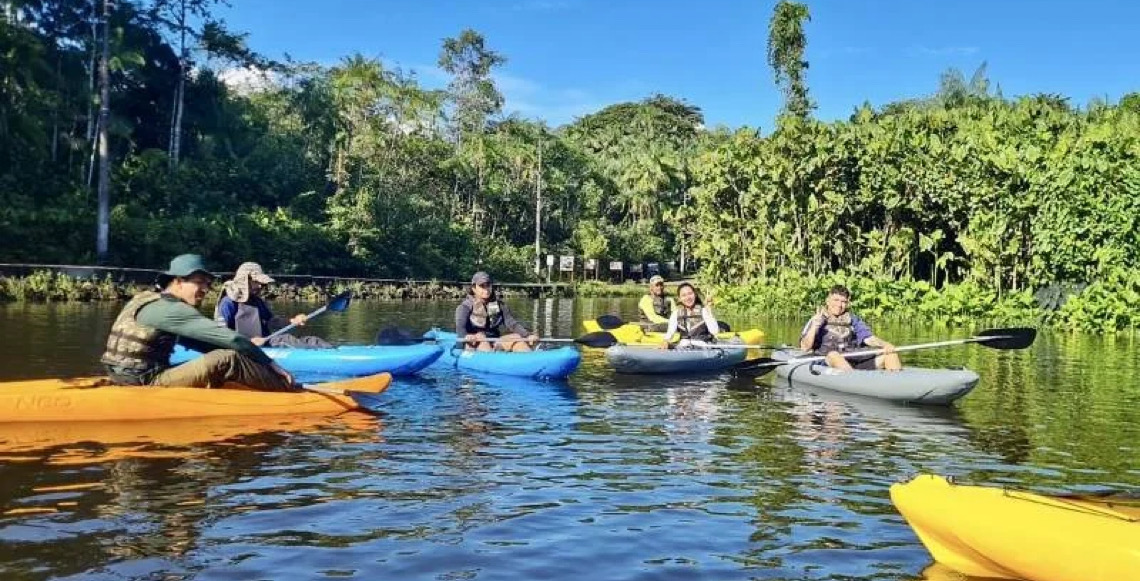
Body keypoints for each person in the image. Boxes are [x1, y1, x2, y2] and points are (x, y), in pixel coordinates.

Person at [101, 254, 297, 390]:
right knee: (227, 358)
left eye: (208, 284)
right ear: (178, 281)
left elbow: (197, 342)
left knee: (221, 356)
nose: (205, 289)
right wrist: (271, 364)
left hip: (122, 376)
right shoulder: (173, 310)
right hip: (145, 380)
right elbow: (235, 341)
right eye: (199, 282)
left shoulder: (144, 299)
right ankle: (290, 388)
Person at [214, 262, 332, 348]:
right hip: (248, 349)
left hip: (266, 343)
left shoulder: (257, 301)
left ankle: (333, 351)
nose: (260, 286)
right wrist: (248, 342)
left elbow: (272, 321)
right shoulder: (228, 303)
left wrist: (293, 321)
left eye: (261, 283)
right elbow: (221, 334)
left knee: (313, 340)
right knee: (286, 339)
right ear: (245, 281)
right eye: (257, 282)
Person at [799, 284, 901, 371]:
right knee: (834, 355)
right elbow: (805, 347)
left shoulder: (853, 319)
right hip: (827, 362)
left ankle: (898, 384)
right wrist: (814, 327)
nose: (839, 305)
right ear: (828, 301)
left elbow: (869, 338)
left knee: (890, 354)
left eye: (843, 301)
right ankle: (854, 381)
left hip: (853, 359)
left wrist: (885, 344)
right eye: (836, 300)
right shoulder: (817, 319)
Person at [455, 271, 538, 352]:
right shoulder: (464, 307)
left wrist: (527, 335)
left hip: (494, 341)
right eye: (482, 286)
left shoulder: (500, 305)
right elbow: (460, 328)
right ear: (474, 288)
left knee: (517, 337)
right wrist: (466, 336)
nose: (486, 289)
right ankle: (490, 359)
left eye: (488, 285)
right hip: (473, 342)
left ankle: (529, 359)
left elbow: (512, 323)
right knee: (481, 338)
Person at [659, 283, 721, 348]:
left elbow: (714, 331)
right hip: (683, 347)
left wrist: (709, 311)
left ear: (695, 294)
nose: (688, 298)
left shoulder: (704, 311)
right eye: (684, 295)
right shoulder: (676, 314)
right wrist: (666, 341)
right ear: (679, 298)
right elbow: (670, 332)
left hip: (703, 346)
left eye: (690, 294)